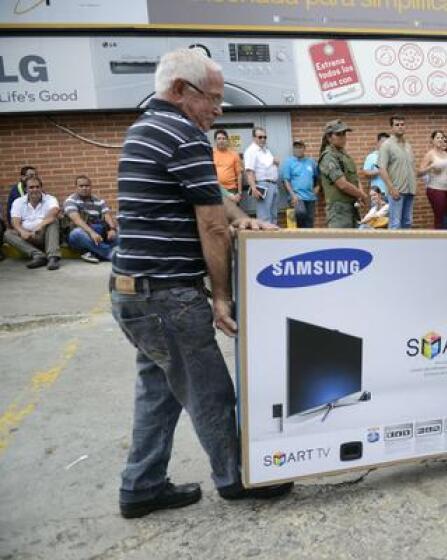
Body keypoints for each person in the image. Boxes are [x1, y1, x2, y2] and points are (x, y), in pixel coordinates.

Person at [110, 48, 289, 519]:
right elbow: (210, 225)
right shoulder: (184, 137)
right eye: (211, 98)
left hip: (131, 291)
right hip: (167, 294)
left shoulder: (144, 130)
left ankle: (141, 485)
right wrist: (222, 297)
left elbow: (212, 196)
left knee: (160, 390)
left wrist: (246, 220)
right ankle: (237, 478)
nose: (218, 109)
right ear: (179, 92)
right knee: (210, 390)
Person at [4, 175, 61, 270]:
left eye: (37, 187)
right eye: (31, 187)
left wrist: (40, 226)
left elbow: (54, 212)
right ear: (26, 189)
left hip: (44, 234)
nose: (35, 189)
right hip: (27, 236)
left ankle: (53, 258)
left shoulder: (50, 199)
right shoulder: (18, 202)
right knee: (7, 234)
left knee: (53, 221)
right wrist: (22, 231)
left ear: (41, 188)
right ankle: (38, 256)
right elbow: (15, 221)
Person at [319, 120, 368, 229]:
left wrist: (359, 194)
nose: (343, 137)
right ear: (329, 137)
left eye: (344, 134)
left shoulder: (344, 155)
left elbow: (355, 178)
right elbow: (342, 184)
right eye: (338, 134)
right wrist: (362, 195)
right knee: (341, 242)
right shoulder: (328, 157)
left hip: (351, 207)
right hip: (338, 210)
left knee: (353, 242)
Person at [64, 175, 119, 263]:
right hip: (80, 235)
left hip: (99, 233)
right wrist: (91, 233)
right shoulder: (71, 201)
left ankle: (94, 253)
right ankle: (110, 253)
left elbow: (107, 215)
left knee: (119, 231)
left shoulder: (98, 200)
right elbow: (77, 220)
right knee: (77, 233)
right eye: (81, 186)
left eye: (87, 186)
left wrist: (112, 229)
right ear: (76, 187)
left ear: (91, 187)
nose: (84, 188)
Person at [379, 116, 416, 229]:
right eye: (397, 125)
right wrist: (391, 188)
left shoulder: (408, 146)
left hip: (410, 190)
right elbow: (382, 169)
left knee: (407, 222)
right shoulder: (386, 145)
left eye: (402, 124)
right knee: (395, 224)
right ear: (392, 128)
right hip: (396, 191)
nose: (400, 127)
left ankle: (405, 247)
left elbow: (411, 167)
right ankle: (392, 247)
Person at [419, 130, 447, 229]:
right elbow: (419, 172)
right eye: (438, 137)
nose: (440, 139)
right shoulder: (430, 154)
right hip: (435, 189)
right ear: (432, 140)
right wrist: (431, 167)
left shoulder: (446, 154)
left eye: (442, 137)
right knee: (440, 217)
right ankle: (439, 241)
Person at [244, 127, 282, 225]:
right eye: (260, 137)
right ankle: (265, 239)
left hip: (273, 185)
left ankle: (273, 239)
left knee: (273, 215)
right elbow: (249, 171)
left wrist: (275, 163)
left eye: (265, 137)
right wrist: (254, 189)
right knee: (264, 217)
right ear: (254, 138)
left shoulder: (266, 150)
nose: (263, 139)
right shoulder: (251, 151)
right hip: (263, 185)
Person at [281, 140, 319, 228]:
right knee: (300, 213)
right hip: (297, 197)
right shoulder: (288, 162)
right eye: (296, 147)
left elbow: (318, 177)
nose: (298, 149)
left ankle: (308, 240)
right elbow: (286, 180)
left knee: (310, 221)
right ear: (293, 149)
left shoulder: (311, 162)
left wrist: (318, 187)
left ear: (304, 148)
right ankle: (299, 237)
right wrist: (292, 195)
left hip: (310, 197)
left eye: (300, 147)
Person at [212, 129, 242, 203]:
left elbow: (239, 175)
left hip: (232, 190)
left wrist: (239, 193)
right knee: (219, 214)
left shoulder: (234, 154)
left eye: (223, 138)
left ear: (227, 140)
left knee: (232, 214)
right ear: (215, 141)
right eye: (219, 138)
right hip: (216, 189)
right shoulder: (210, 154)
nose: (221, 141)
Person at [361, 132, 389, 198]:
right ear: (378, 142)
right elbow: (365, 172)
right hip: (377, 194)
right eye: (383, 142)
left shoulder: (392, 157)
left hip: (391, 193)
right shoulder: (372, 156)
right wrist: (379, 171)